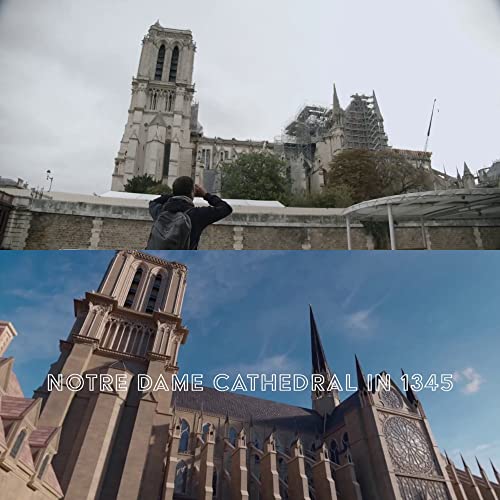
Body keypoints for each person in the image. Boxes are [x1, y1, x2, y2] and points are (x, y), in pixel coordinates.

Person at [146, 176, 232, 250]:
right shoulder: (196, 215)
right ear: (192, 192)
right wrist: (205, 195)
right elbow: (225, 208)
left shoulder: (160, 211)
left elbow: (153, 202)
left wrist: (176, 193)